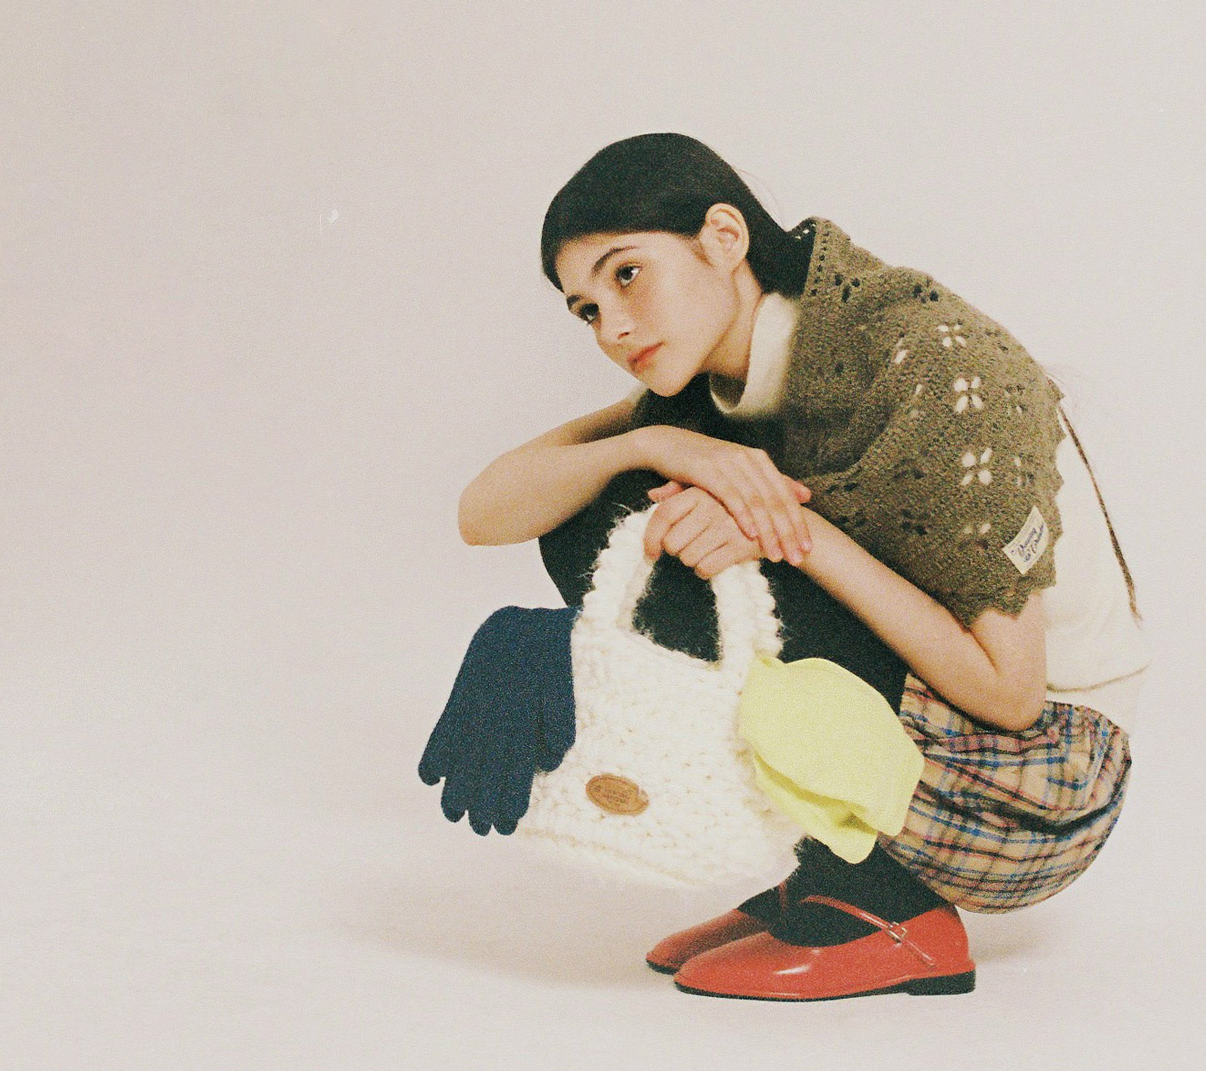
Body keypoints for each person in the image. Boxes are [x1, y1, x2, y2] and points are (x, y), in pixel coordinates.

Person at [457, 133, 1150, 1001]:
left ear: (724, 237)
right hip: (950, 742)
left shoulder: (926, 363)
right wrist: (654, 443)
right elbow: (483, 512)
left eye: (627, 274)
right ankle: (829, 871)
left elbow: (1010, 693)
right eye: (586, 309)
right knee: (603, 510)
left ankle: (892, 911)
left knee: (658, 526)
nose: (614, 327)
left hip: (1040, 782)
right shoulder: (714, 387)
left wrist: (790, 533)